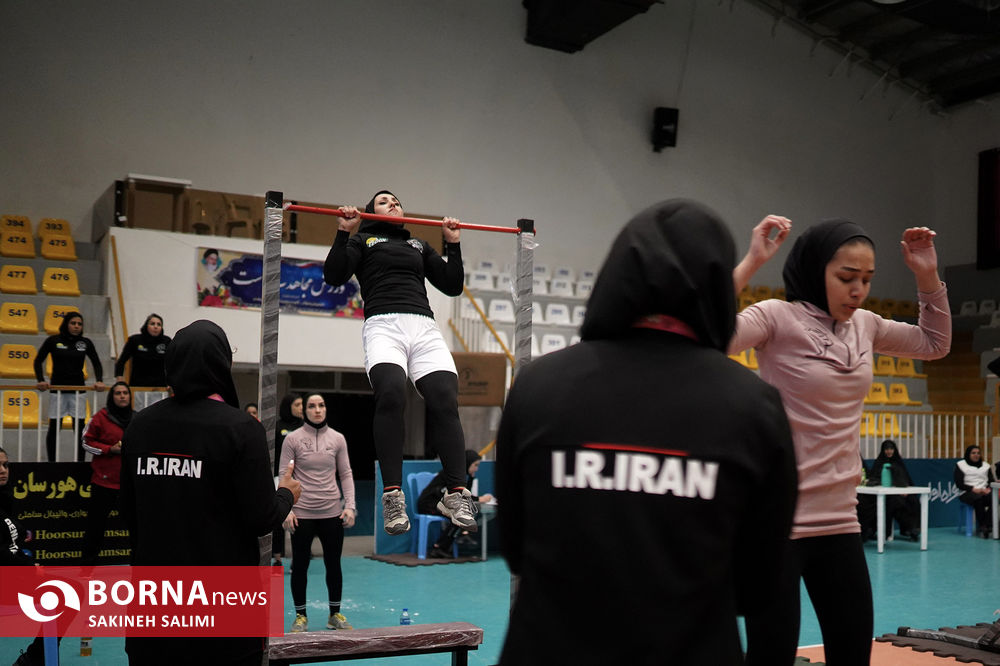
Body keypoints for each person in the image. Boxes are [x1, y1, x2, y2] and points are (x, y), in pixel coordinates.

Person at [496, 200, 798, 665]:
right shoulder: (754, 406)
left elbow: (515, 547)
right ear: (716, 287)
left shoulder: (537, 386)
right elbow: (758, 586)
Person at [730, 216, 951, 665]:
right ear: (816, 271)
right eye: (847, 277)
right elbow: (702, 336)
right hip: (776, 523)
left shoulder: (866, 325)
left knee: (852, 655)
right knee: (770, 657)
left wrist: (927, 275)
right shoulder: (775, 317)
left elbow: (934, 343)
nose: (858, 291)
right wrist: (751, 261)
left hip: (840, 520)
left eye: (867, 279)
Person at [120, 320, 301, 665]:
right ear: (221, 364)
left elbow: (128, 511)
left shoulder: (140, 426)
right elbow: (261, 518)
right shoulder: (240, 428)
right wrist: (287, 494)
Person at [324, 190, 476, 536]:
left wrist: (452, 243)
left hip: (424, 327)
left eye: (395, 200)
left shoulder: (419, 245)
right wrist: (344, 232)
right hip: (384, 326)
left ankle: (456, 493)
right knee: (391, 393)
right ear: (371, 212)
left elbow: (452, 285)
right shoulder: (363, 241)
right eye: (383, 201)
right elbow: (334, 276)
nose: (392, 203)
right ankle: (393, 496)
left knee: (445, 399)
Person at [279, 393, 356, 633]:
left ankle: (334, 614)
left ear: (326, 409)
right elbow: (284, 475)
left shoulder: (338, 439)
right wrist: (286, 509)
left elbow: (346, 474)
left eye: (321, 405)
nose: (317, 410)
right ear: (305, 411)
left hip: (332, 512)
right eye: (312, 406)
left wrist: (350, 506)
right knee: (300, 566)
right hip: (301, 514)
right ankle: (300, 616)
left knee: (334, 565)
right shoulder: (292, 439)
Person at [34, 311, 105, 462]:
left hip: (78, 392)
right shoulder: (53, 340)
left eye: (79, 324)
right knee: (54, 428)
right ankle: (51, 463)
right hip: (57, 391)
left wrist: (99, 380)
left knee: (79, 430)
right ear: (66, 324)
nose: (76, 326)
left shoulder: (85, 343)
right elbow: (38, 360)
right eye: (73, 323)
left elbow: (97, 363)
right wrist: (41, 380)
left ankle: (80, 463)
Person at [80, 381, 132, 565]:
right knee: (95, 527)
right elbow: (86, 443)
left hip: (129, 483)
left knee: (137, 526)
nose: (122, 396)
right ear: (112, 397)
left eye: (125, 393)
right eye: (118, 393)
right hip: (103, 483)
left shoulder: (137, 418)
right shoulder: (100, 418)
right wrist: (109, 449)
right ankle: (87, 566)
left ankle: (140, 565)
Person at [417, 449, 494, 559]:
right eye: (475, 465)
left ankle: (453, 540)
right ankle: (439, 547)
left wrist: (471, 477)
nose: (477, 469)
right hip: (428, 505)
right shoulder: (450, 474)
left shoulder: (460, 476)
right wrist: (479, 499)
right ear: (467, 463)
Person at [866, 440, 920, 541]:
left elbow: (906, 479)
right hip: (883, 494)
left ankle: (912, 529)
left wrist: (904, 489)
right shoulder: (879, 463)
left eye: (891, 449)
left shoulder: (898, 462)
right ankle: (872, 530)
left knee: (913, 500)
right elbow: (873, 479)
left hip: (899, 492)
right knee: (895, 502)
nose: (889, 451)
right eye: (886, 449)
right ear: (883, 450)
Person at [272, 392, 303, 566]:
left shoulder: (305, 427)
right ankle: (277, 557)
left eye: (302, 404)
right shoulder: (278, 427)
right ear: (287, 407)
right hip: (280, 477)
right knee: (280, 516)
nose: (301, 408)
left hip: (300, 478)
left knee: (299, 518)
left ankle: (297, 559)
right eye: (297, 405)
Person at [114, 314, 171, 409]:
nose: (156, 326)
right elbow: (122, 361)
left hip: (159, 388)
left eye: (159, 324)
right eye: (152, 324)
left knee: (156, 414)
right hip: (138, 387)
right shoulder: (135, 340)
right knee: (139, 413)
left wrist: (172, 382)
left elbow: (173, 363)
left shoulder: (167, 341)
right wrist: (119, 379)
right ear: (146, 326)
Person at [954, 444, 995, 538]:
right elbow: (959, 484)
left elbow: (991, 481)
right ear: (968, 454)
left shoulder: (986, 466)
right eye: (973, 453)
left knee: (995, 498)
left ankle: (985, 524)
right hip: (967, 492)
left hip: (984, 491)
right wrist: (974, 489)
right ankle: (985, 526)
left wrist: (988, 489)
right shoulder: (960, 465)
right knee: (978, 498)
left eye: (978, 453)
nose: (976, 455)